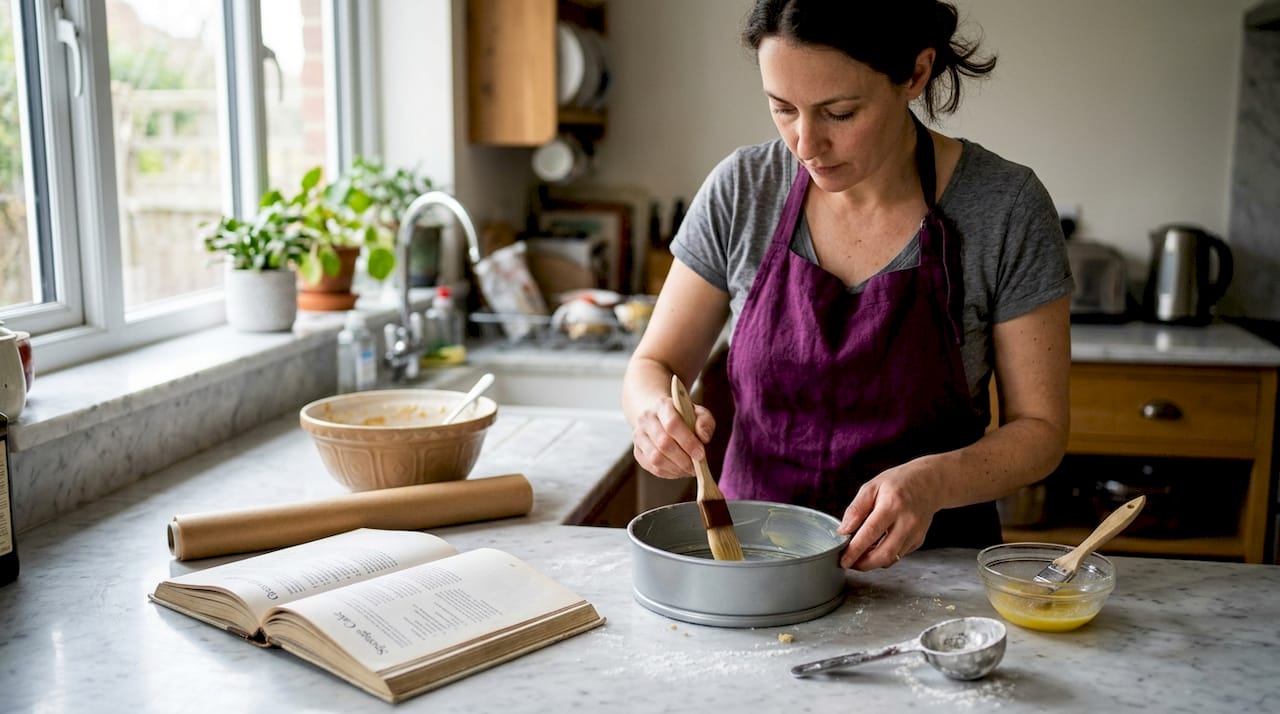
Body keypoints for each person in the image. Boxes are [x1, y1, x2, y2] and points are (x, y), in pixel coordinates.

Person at [621, 0, 1073, 572]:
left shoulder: (1004, 207)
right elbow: (655, 362)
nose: (805, 143)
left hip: (932, 573)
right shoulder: (743, 189)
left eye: (839, 112)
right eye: (782, 108)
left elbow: (1041, 431)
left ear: (915, 73)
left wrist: (933, 481)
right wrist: (653, 416)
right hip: (751, 564)